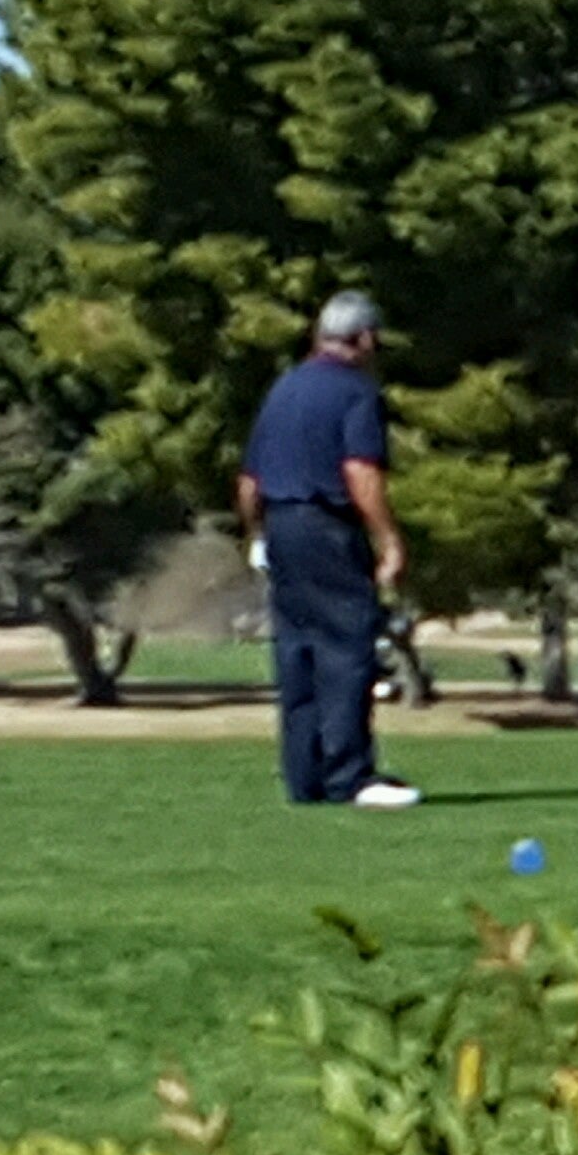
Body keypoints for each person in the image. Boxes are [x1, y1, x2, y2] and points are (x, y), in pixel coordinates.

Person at [237, 291, 419, 810]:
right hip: (325, 526)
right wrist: (388, 539)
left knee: (298, 651)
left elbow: (249, 480)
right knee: (347, 645)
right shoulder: (355, 392)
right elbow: (360, 472)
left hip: (281, 524)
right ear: (363, 339)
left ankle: (306, 776)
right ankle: (349, 776)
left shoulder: (285, 387)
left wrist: (257, 536)